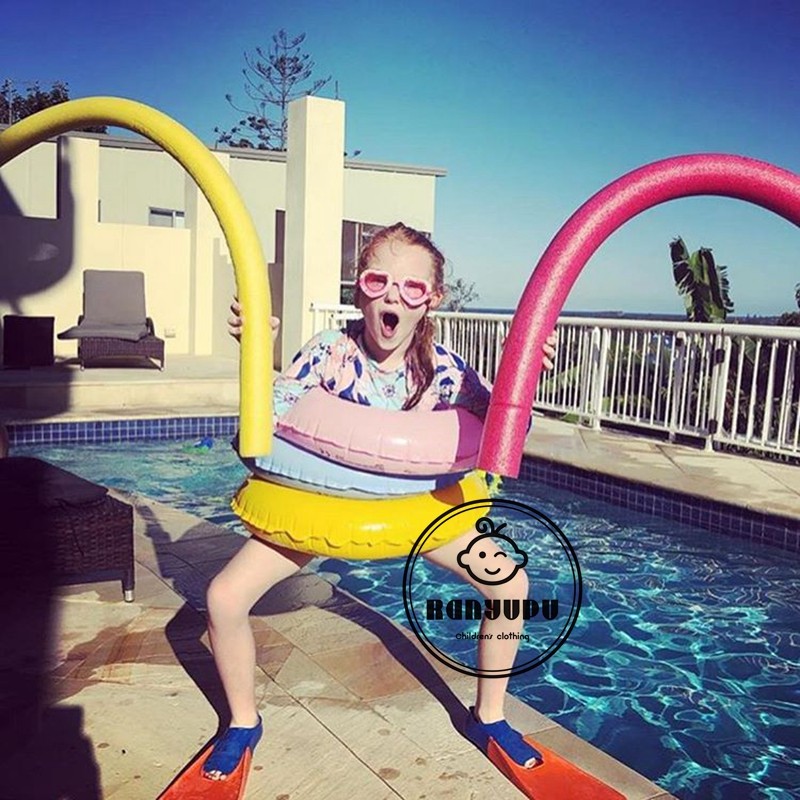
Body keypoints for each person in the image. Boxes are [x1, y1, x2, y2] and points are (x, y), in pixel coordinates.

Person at [202, 222, 558, 781]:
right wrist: (255, 353)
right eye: (378, 281)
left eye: (412, 287)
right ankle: (243, 723)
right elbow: (262, 432)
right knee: (224, 598)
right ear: (359, 290)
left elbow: (499, 437)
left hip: (417, 512)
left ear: (432, 299)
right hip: (320, 507)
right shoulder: (328, 353)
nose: (394, 297)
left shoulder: (445, 372)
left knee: (510, 585)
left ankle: (489, 717)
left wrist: (524, 375)